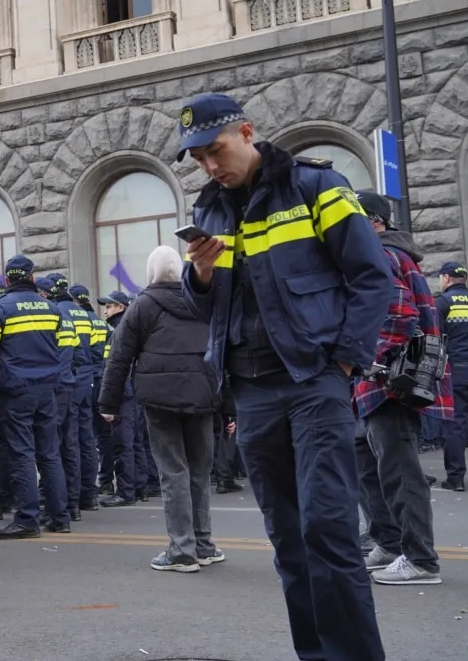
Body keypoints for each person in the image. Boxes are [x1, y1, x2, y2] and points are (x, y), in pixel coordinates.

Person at [180, 92, 391, 661]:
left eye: (214, 151)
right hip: (250, 392)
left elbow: (372, 278)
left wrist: (344, 361)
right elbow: (209, 311)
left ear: (247, 133)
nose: (209, 165)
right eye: (197, 158)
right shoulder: (211, 211)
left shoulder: (314, 187)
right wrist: (199, 276)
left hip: (311, 383)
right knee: (289, 540)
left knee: (328, 529)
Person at [98, 247, 222, 573]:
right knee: (199, 472)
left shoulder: (143, 304)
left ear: (152, 272)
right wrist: (231, 405)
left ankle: (182, 551)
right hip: (204, 396)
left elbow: (120, 356)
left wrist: (109, 403)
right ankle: (204, 545)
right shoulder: (201, 300)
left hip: (159, 400)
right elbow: (223, 349)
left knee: (173, 473)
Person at [352, 190, 450, 586]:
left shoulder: (381, 255)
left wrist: (370, 363)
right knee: (369, 461)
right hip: (378, 382)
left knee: (398, 469)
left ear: (374, 222)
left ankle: (420, 558)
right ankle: (390, 542)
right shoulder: (389, 254)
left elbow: (398, 313)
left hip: (386, 382)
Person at [0, 256, 72, 538]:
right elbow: (62, 346)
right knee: (50, 454)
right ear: (31, 278)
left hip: (16, 389)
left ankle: (28, 519)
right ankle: (60, 516)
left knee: (21, 454)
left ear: (7, 280)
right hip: (47, 389)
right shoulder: (52, 308)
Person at [435, 261, 468, 491]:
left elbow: (435, 337)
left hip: (456, 369)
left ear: (446, 278)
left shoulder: (443, 302)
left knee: (455, 423)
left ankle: (455, 479)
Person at [45, 274, 89, 522]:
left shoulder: (54, 313)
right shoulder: (74, 312)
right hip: (73, 385)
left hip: (54, 387)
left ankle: (57, 506)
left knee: (52, 449)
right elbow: (81, 356)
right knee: (71, 445)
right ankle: (74, 503)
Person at [95, 291, 145, 507]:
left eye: (109, 305)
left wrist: (111, 401)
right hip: (135, 394)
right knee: (136, 443)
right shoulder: (129, 328)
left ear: (121, 307)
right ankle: (140, 487)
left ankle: (126, 491)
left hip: (124, 395)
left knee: (123, 445)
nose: (105, 309)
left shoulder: (119, 331)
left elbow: (115, 369)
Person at [69, 284, 107, 510]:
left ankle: (72, 498)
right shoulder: (94, 321)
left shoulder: (63, 315)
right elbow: (96, 354)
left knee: (70, 440)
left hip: (72, 383)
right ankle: (89, 494)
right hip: (91, 381)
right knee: (88, 440)